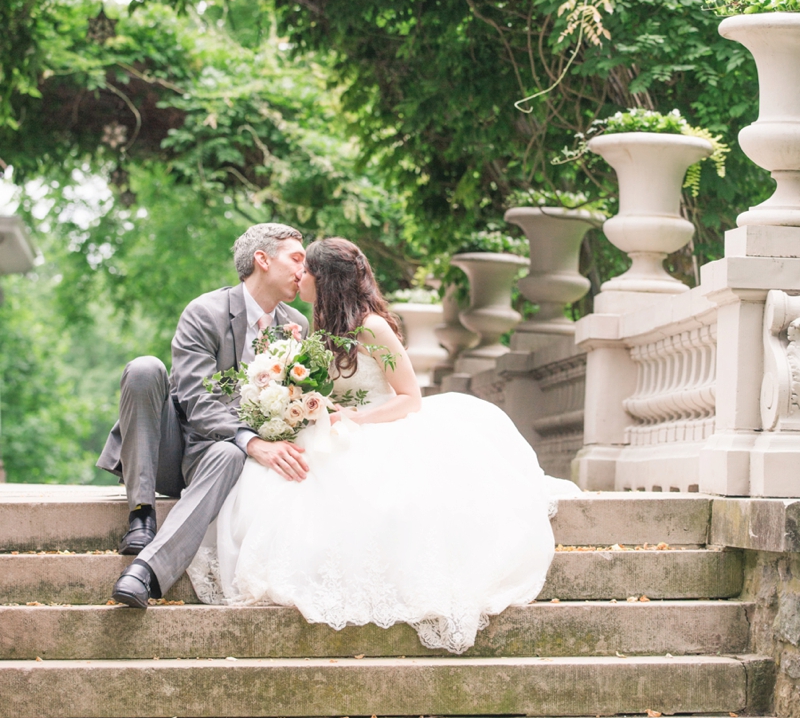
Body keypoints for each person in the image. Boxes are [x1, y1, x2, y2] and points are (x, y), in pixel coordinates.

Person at [188, 237, 579, 654]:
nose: (300, 276)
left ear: (326, 279)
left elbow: (410, 398)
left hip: (382, 425)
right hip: (339, 426)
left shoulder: (371, 327)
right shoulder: (320, 328)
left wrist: (354, 418)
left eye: (308, 270)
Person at [98, 222, 309, 608]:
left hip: (221, 461)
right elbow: (195, 398)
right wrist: (252, 441)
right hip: (172, 447)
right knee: (146, 368)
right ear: (262, 259)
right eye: (296, 258)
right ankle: (141, 516)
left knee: (231, 452)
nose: (303, 270)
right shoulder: (205, 311)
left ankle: (144, 573)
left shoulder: (296, 326)